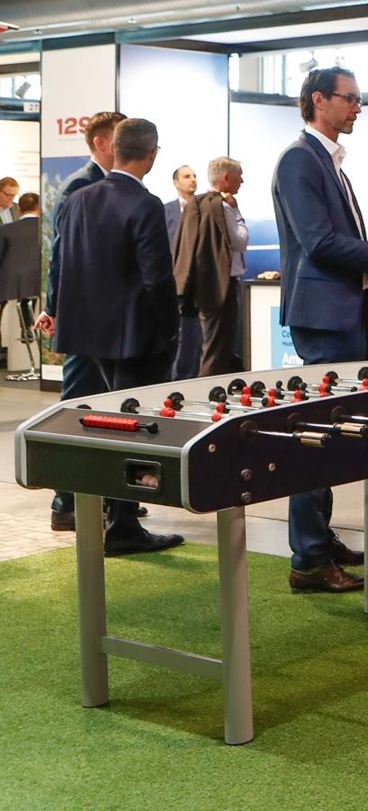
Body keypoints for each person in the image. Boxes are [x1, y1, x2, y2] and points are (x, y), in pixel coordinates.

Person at [272, 66, 368, 594]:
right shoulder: (299, 160)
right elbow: (318, 241)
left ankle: (318, 540)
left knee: (329, 433)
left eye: (359, 99)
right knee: (317, 435)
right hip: (322, 319)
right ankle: (308, 559)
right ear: (318, 100)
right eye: (349, 98)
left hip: (339, 311)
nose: (357, 107)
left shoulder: (326, 160)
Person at [52, 117, 184, 557]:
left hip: (92, 335)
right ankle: (122, 526)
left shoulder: (80, 198)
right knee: (135, 428)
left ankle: (118, 518)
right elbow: (156, 277)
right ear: (151, 154)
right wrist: (171, 327)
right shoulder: (145, 203)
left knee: (112, 425)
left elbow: (63, 262)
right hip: (137, 336)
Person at [39, 111, 125, 532]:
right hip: (84, 320)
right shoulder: (80, 185)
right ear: (101, 143)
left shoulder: (107, 184)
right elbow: (62, 253)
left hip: (103, 321)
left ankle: (102, 498)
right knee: (75, 409)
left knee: (102, 409)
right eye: (119, 138)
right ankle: (65, 502)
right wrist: (54, 309)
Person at [173, 157, 250, 377]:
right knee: (217, 351)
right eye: (239, 176)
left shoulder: (196, 204)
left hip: (202, 287)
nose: (242, 181)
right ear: (226, 177)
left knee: (207, 347)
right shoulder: (223, 206)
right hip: (222, 287)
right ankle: (210, 391)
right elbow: (240, 241)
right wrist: (237, 213)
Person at [164, 164, 202, 379]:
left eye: (194, 176)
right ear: (176, 182)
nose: (192, 179)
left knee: (195, 341)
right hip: (174, 285)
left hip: (199, 287)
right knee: (177, 341)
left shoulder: (205, 208)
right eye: (187, 176)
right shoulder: (166, 211)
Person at [0, 192, 41, 378]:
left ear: (19, 209)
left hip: (9, 284)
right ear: (39, 208)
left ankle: (26, 331)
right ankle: (28, 330)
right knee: (27, 303)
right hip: (38, 281)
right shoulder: (45, 228)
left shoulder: (6, 230)